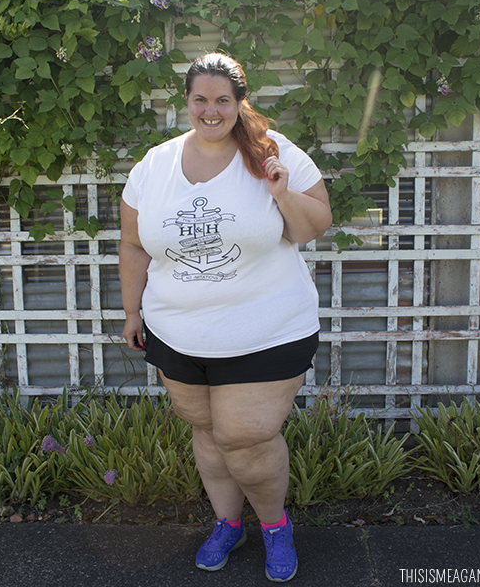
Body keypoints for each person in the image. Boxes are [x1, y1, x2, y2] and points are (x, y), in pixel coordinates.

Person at [120, 52, 332, 583]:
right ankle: (227, 522)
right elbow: (132, 245)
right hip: (177, 331)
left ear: (240, 102)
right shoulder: (154, 165)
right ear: (186, 102)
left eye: (221, 100)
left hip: (267, 329)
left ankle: (275, 527)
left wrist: (280, 192)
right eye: (200, 99)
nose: (210, 110)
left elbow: (313, 228)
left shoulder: (274, 154)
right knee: (209, 433)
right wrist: (131, 310)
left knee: (245, 435)